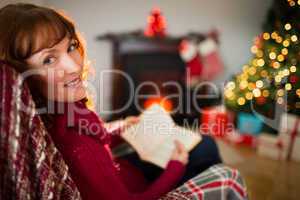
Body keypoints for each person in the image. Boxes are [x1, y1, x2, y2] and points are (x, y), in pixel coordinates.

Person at [0, 3, 221, 200]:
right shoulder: (75, 142)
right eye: (49, 59)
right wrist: (175, 167)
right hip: (137, 187)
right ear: (19, 77)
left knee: (201, 142)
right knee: (206, 150)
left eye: (71, 47)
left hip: (124, 171)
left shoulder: (62, 109)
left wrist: (121, 128)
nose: (75, 66)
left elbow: (97, 137)